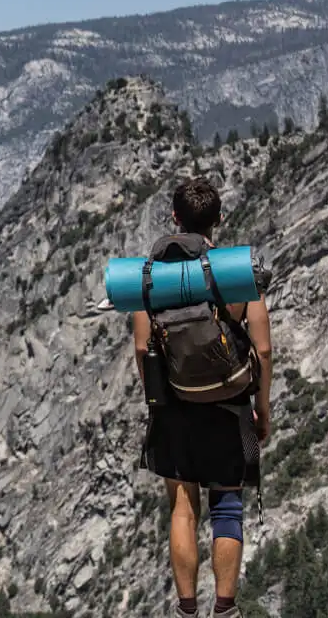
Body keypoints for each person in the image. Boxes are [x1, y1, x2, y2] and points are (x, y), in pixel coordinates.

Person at [131, 177, 273, 618]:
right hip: (229, 408)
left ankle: (186, 610)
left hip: (175, 408)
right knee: (227, 506)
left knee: (182, 509)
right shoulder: (235, 274)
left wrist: (160, 400)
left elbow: (141, 348)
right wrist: (262, 409)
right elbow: (264, 348)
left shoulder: (153, 277)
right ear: (218, 220)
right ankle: (225, 610)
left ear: (174, 218)